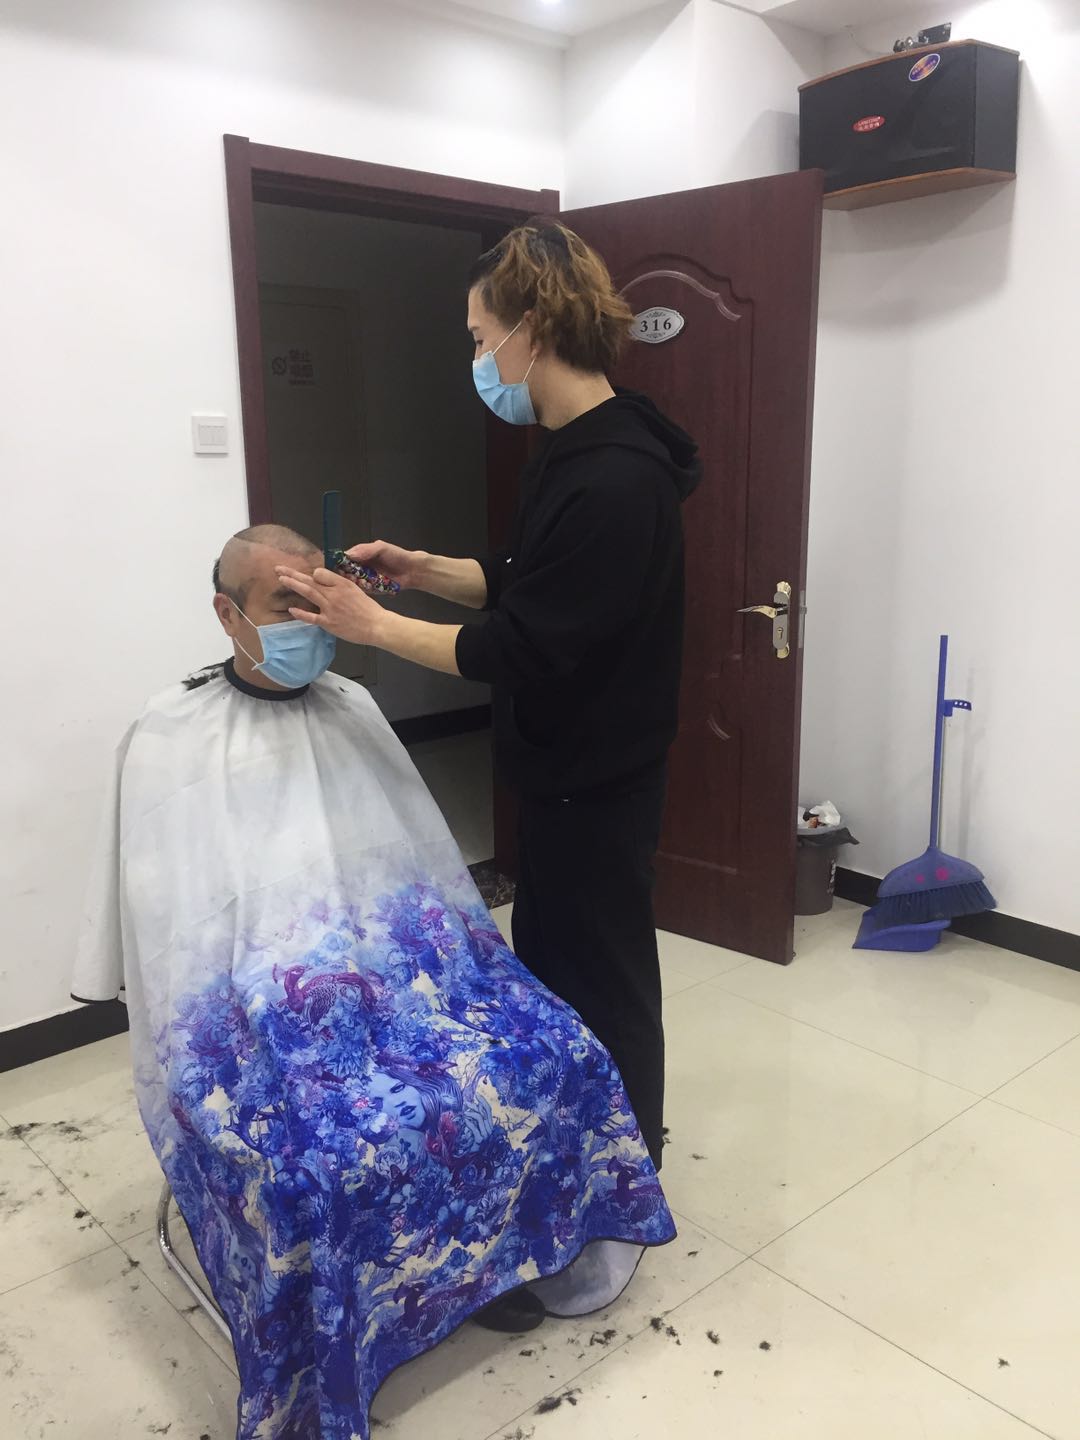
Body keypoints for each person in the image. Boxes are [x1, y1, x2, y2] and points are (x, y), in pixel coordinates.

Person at [72, 525, 676, 1440]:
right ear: (227, 615)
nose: (314, 616)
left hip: (403, 972)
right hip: (260, 1000)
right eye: (287, 603)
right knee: (321, 1159)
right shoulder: (168, 735)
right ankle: (344, 1333)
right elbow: (169, 931)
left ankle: (493, 1259)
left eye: (321, 593)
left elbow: (413, 864)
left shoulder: (351, 702)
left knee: (552, 1053)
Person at [275, 221, 702, 1171]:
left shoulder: (618, 478)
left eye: (479, 338)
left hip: (597, 782)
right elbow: (524, 579)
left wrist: (372, 626)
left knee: (604, 982)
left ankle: (626, 1171)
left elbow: (522, 644)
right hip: (559, 774)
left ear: (532, 329)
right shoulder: (572, 448)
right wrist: (420, 568)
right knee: (553, 971)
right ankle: (571, 1152)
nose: (477, 359)